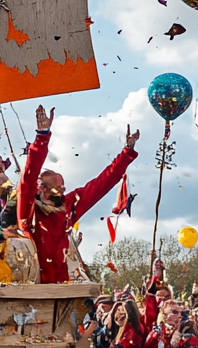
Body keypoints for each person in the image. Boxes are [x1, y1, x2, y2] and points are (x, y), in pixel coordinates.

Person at [17, 106, 139, 284]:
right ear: (41, 189)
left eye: (64, 188)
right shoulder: (28, 210)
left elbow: (100, 185)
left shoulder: (69, 205)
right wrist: (42, 135)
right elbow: (29, 175)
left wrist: (126, 152)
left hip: (61, 285)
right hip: (34, 285)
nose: (63, 192)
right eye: (58, 188)